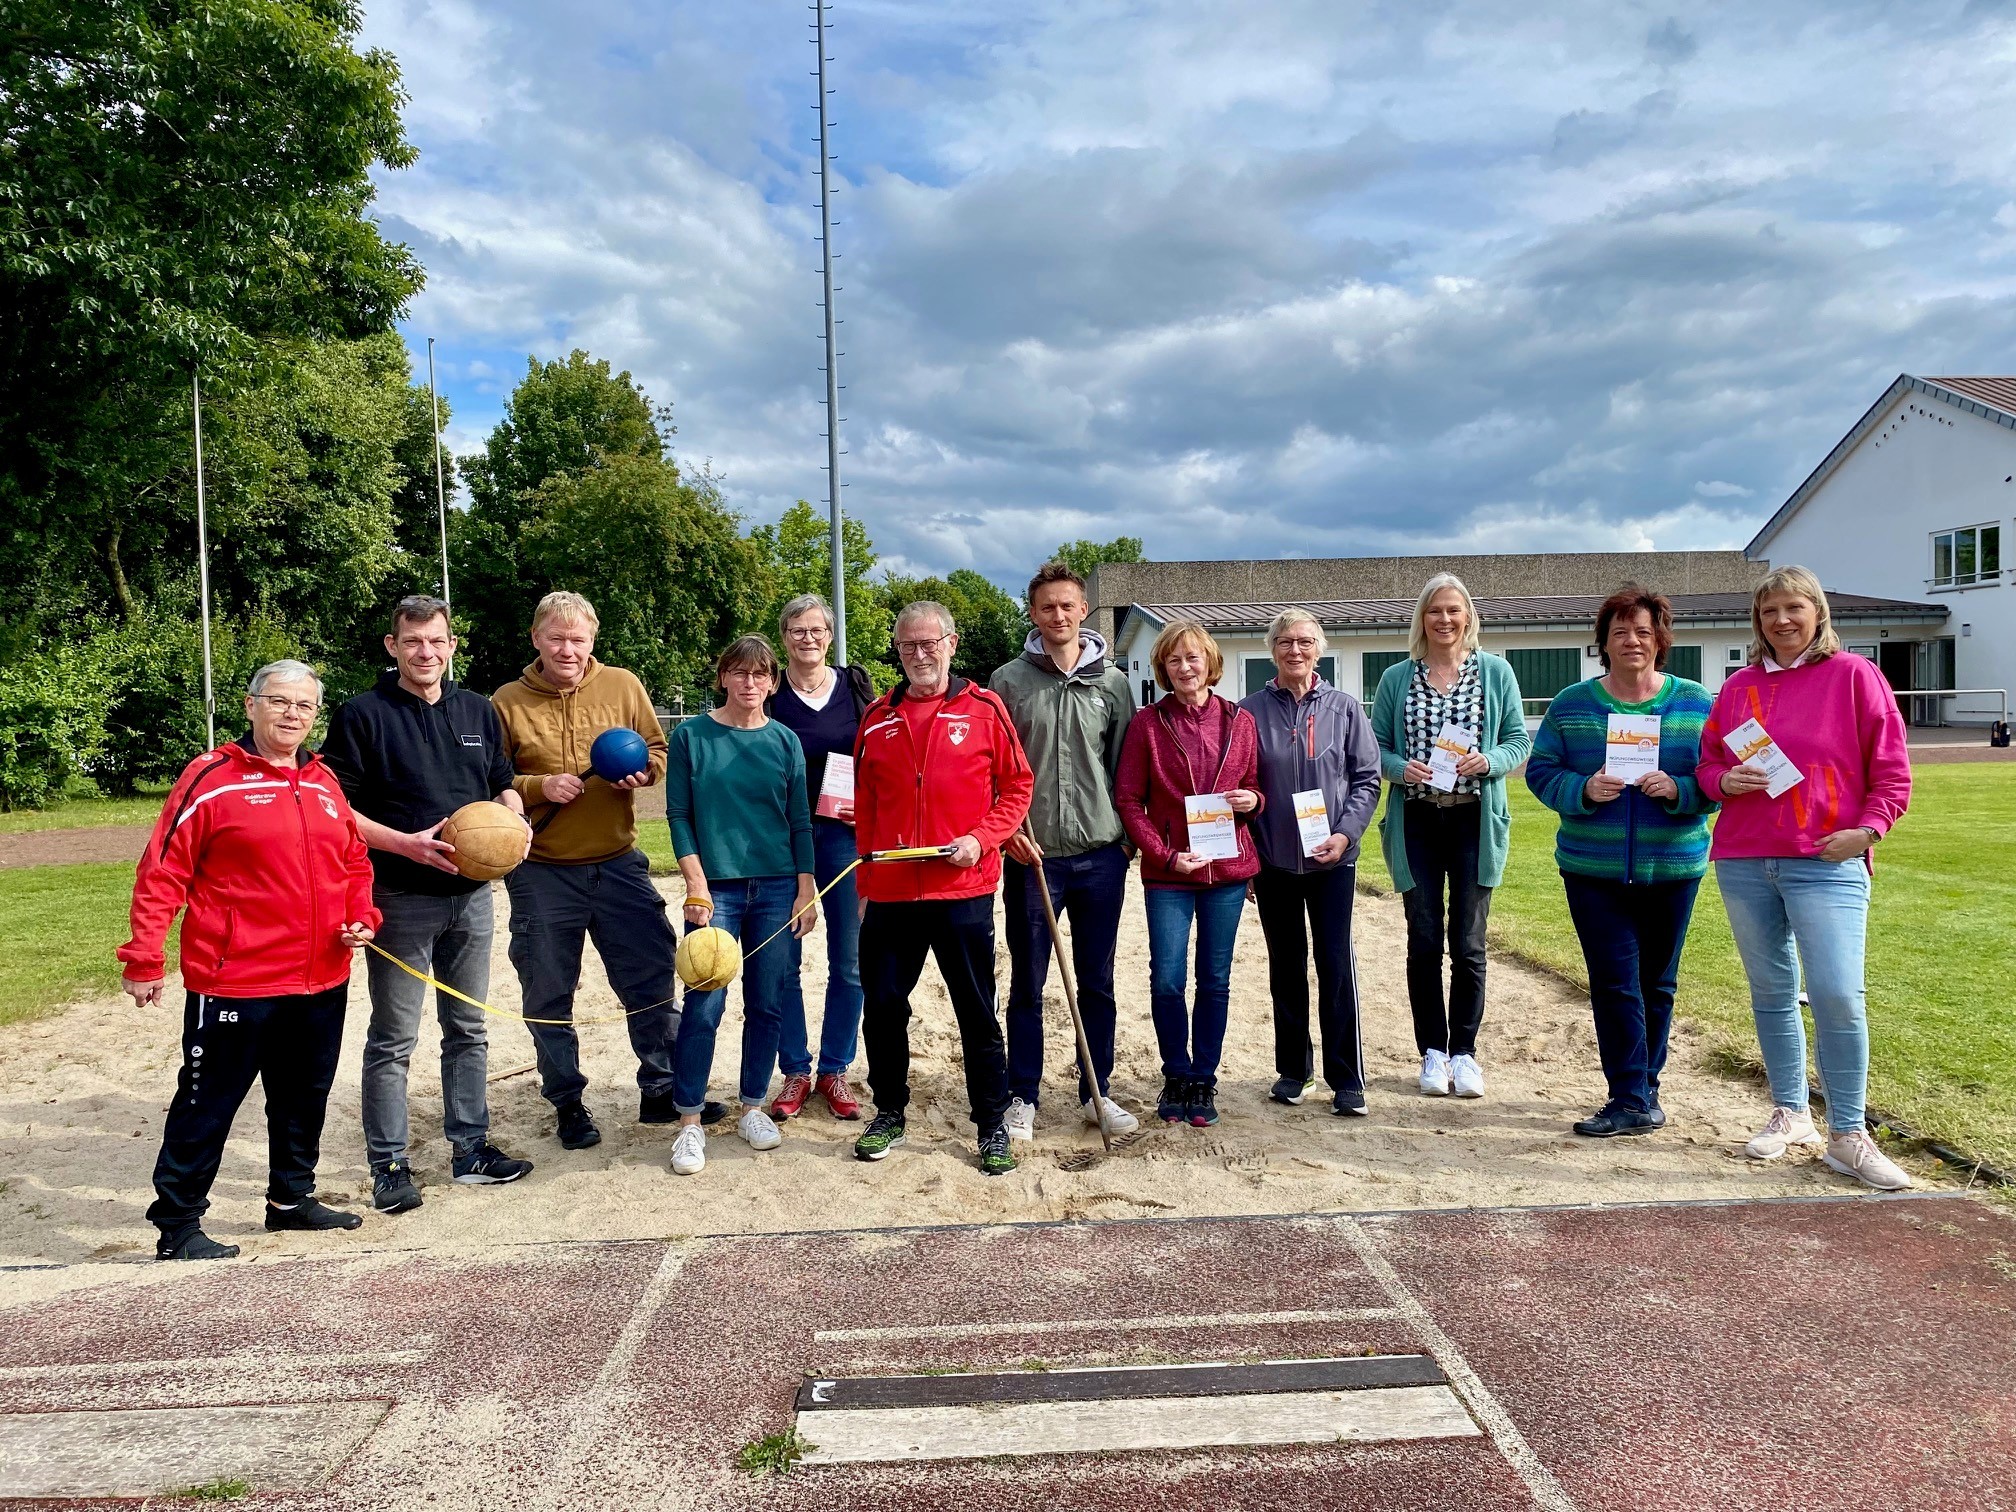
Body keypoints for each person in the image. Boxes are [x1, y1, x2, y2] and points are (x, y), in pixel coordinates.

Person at [119, 661, 379, 1260]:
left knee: (304, 1095)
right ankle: (178, 1224)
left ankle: (291, 1200)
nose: (292, 714)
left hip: (321, 977)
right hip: (235, 979)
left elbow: (353, 861)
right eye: (280, 701)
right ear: (250, 705)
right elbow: (162, 870)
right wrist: (144, 957)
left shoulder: (322, 780)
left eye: (305, 705)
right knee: (208, 1103)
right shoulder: (211, 777)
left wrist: (362, 916)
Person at [1696, 566, 1914, 1190]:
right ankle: (1791, 1112)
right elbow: (1709, 764)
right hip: (1745, 859)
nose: (1782, 620)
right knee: (1771, 991)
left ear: (1817, 613)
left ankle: (1848, 1134)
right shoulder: (1738, 687)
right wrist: (1723, 780)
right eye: (1769, 611)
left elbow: (1891, 769)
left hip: (1826, 861)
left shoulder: (1855, 676)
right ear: (1757, 621)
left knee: (1838, 995)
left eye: (1794, 607)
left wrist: (1869, 831)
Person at [323, 597, 536, 1215]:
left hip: (471, 898)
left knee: (467, 1028)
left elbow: (500, 782)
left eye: (436, 641)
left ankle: (470, 1149)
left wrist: (514, 820)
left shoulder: (476, 709)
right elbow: (335, 809)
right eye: (413, 641)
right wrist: (405, 845)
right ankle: (389, 1163)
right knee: (394, 1038)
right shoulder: (362, 715)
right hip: (400, 898)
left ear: (451, 645)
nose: (426, 652)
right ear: (392, 647)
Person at [493, 590, 691, 1152]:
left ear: (592, 640)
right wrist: (538, 786)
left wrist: (644, 774)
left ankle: (662, 1088)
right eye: (556, 638)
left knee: (650, 976)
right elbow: (490, 774)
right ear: (536, 639)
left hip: (618, 863)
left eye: (577, 639)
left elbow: (656, 749)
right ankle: (568, 1103)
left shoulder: (623, 685)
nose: (567, 649)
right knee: (547, 991)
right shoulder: (506, 700)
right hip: (541, 869)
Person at [849, 601, 1034, 1176]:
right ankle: (889, 1111)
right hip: (891, 894)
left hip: (962, 891)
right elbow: (866, 807)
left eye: (929, 643)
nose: (919, 654)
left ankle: (991, 1123)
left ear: (951, 644)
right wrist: (865, 882)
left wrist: (982, 839)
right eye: (907, 645)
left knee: (976, 1012)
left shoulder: (984, 708)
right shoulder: (877, 716)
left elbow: (1017, 787)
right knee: (883, 1009)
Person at [1525, 585, 1717, 1138]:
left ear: (1660, 640)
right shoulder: (1573, 704)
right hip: (1593, 869)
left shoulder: (1695, 703)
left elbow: (1716, 779)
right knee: (1614, 982)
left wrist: (1680, 789)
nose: (1632, 640)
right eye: (1619, 632)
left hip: (1673, 866)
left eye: (1643, 631)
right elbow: (1541, 771)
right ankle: (1630, 1094)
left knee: (1658, 983)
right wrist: (1582, 788)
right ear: (1603, 643)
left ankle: (1645, 1088)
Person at [990, 560, 1139, 1142]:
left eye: (1067, 605)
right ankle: (1023, 1095)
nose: (1058, 615)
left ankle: (1096, 1091)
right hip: (1034, 857)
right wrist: (1007, 832)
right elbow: (993, 769)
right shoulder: (1008, 682)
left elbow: (1125, 768)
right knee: (1028, 981)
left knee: (1096, 981)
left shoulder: (1113, 683)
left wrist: (1124, 841)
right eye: (1047, 606)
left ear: (1084, 610)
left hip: (1101, 856)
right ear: (1033, 613)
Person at [1371, 572, 1530, 1100]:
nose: (1444, 619)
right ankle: (1432, 1052)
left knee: (1468, 943)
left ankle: (1464, 1052)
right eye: (1434, 610)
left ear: (1468, 617)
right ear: (1422, 618)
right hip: (1417, 817)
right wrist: (1401, 769)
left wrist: (1491, 761)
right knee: (1422, 940)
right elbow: (1377, 748)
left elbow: (1517, 739)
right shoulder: (1397, 678)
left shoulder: (1496, 672)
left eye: (1453, 610)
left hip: (1473, 819)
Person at [665, 636, 819, 1176]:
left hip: (777, 887)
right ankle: (689, 1121)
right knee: (704, 1003)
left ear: (773, 682)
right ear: (723, 677)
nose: (749, 683)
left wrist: (805, 889)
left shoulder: (785, 741)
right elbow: (679, 816)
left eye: (760, 674)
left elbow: (800, 821)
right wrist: (696, 884)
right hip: (716, 890)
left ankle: (753, 1106)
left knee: (768, 1002)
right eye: (739, 672)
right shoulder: (691, 736)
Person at [1115, 620, 1263, 1128]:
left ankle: (1204, 1078)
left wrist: (1252, 800)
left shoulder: (1240, 721)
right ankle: (1176, 1073)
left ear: (1210, 662)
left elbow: (1255, 788)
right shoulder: (1147, 725)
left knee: (1215, 980)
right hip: (1170, 874)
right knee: (1167, 979)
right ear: (1163, 668)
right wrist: (1163, 854)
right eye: (1174, 660)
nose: (1185, 667)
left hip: (1226, 871)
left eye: (1193, 657)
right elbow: (1129, 800)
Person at [1240, 609, 1380, 1117]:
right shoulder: (1249, 712)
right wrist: (1249, 857)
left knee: (1335, 964)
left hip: (1332, 861)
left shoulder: (1345, 708)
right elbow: (1240, 785)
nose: (1294, 650)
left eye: (1304, 641)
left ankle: (1347, 1077)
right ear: (1271, 650)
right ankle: (1293, 1070)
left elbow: (1367, 780)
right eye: (1284, 642)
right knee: (1286, 965)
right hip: (1274, 861)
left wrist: (1345, 834)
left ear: (1319, 648)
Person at [765, 593, 876, 1121]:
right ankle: (795, 1069)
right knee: (782, 961)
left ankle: (834, 1068)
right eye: (797, 630)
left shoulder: (853, 687)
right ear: (784, 636)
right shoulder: (769, 693)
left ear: (830, 635)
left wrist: (871, 812)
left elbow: (877, 759)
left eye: (816, 630)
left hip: (843, 836)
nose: (807, 638)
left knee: (850, 961)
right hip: (781, 839)